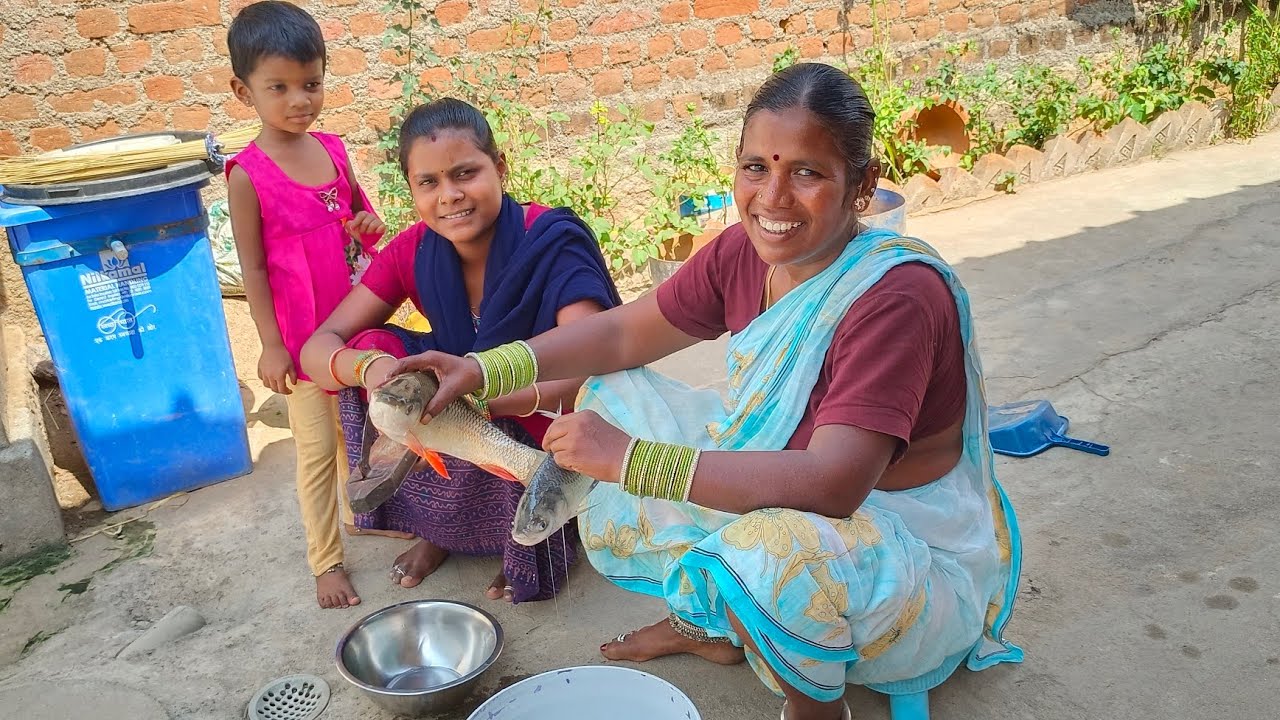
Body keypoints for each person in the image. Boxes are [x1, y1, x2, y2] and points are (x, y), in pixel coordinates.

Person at [394, 63, 1023, 719]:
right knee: (611, 394)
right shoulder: (743, 254)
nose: (773, 198)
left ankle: (815, 707)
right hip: (796, 486)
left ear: (863, 185)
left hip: (904, 554)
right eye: (756, 167)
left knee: (770, 557)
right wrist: (483, 369)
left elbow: (834, 483)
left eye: (807, 172)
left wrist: (631, 460)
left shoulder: (896, 298)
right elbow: (620, 337)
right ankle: (715, 624)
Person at [300, 98, 621, 604]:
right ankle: (442, 530)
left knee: (490, 414)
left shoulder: (549, 241)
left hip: (542, 406)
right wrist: (374, 369)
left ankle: (546, 529)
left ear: (500, 167)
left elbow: (589, 365)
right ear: (411, 190)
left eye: (465, 173)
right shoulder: (414, 251)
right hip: (458, 406)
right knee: (379, 356)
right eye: (428, 182)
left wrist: (482, 392)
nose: (450, 196)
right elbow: (318, 349)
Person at [225, 1, 388, 610]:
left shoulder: (335, 151)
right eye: (280, 87)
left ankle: (366, 515)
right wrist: (270, 344)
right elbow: (254, 269)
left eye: (311, 83)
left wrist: (369, 226)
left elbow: (363, 224)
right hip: (301, 345)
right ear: (243, 92)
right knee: (317, 452)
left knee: (362, 432)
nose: (300, 100)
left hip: (356, 329)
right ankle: (326, 560)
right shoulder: (248, 175)